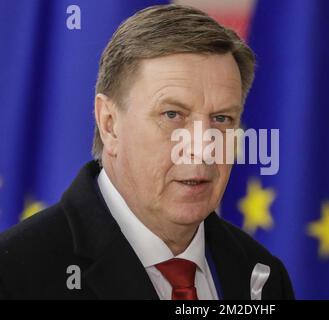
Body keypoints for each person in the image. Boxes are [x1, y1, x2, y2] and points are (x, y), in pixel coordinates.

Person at [0, 4, 294, 300]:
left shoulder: (263, 276)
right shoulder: (15, 276)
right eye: (172, 115)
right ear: (109, 124)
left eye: (221, 119)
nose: (203, 147)